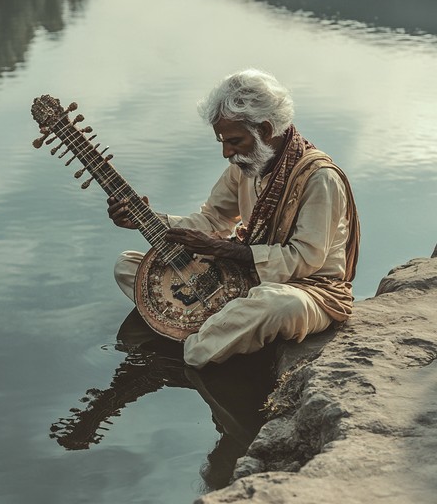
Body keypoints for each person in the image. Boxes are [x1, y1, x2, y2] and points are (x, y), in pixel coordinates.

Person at [107, 69, 360, 369]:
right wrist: (146, 219)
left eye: (235, 141)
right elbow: (212, 220)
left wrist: (227, 251)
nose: (227, 152)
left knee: (275, 304)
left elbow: (305, 259)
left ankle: (188, 350)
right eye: (222, 142)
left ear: (265, 130)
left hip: (308, 290)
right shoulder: (246, 166)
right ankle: (217, 330)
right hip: (242, 276)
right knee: (130, 266)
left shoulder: (320, 179)